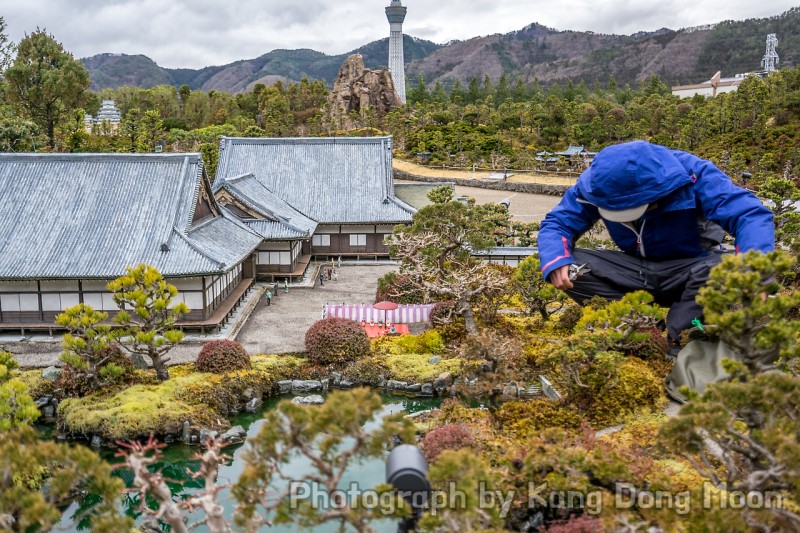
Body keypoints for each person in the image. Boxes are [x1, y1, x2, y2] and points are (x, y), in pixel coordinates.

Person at [538, 140, 774, 355]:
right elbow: (558, 223)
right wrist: (557, 259)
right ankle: (642, 327)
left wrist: (754, 268)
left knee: (726, 267)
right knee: (568, 264)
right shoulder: (596, 184)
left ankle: (677, 334)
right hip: (635, 270)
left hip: (692, 269)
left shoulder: (692, 173)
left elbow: (749, 214)